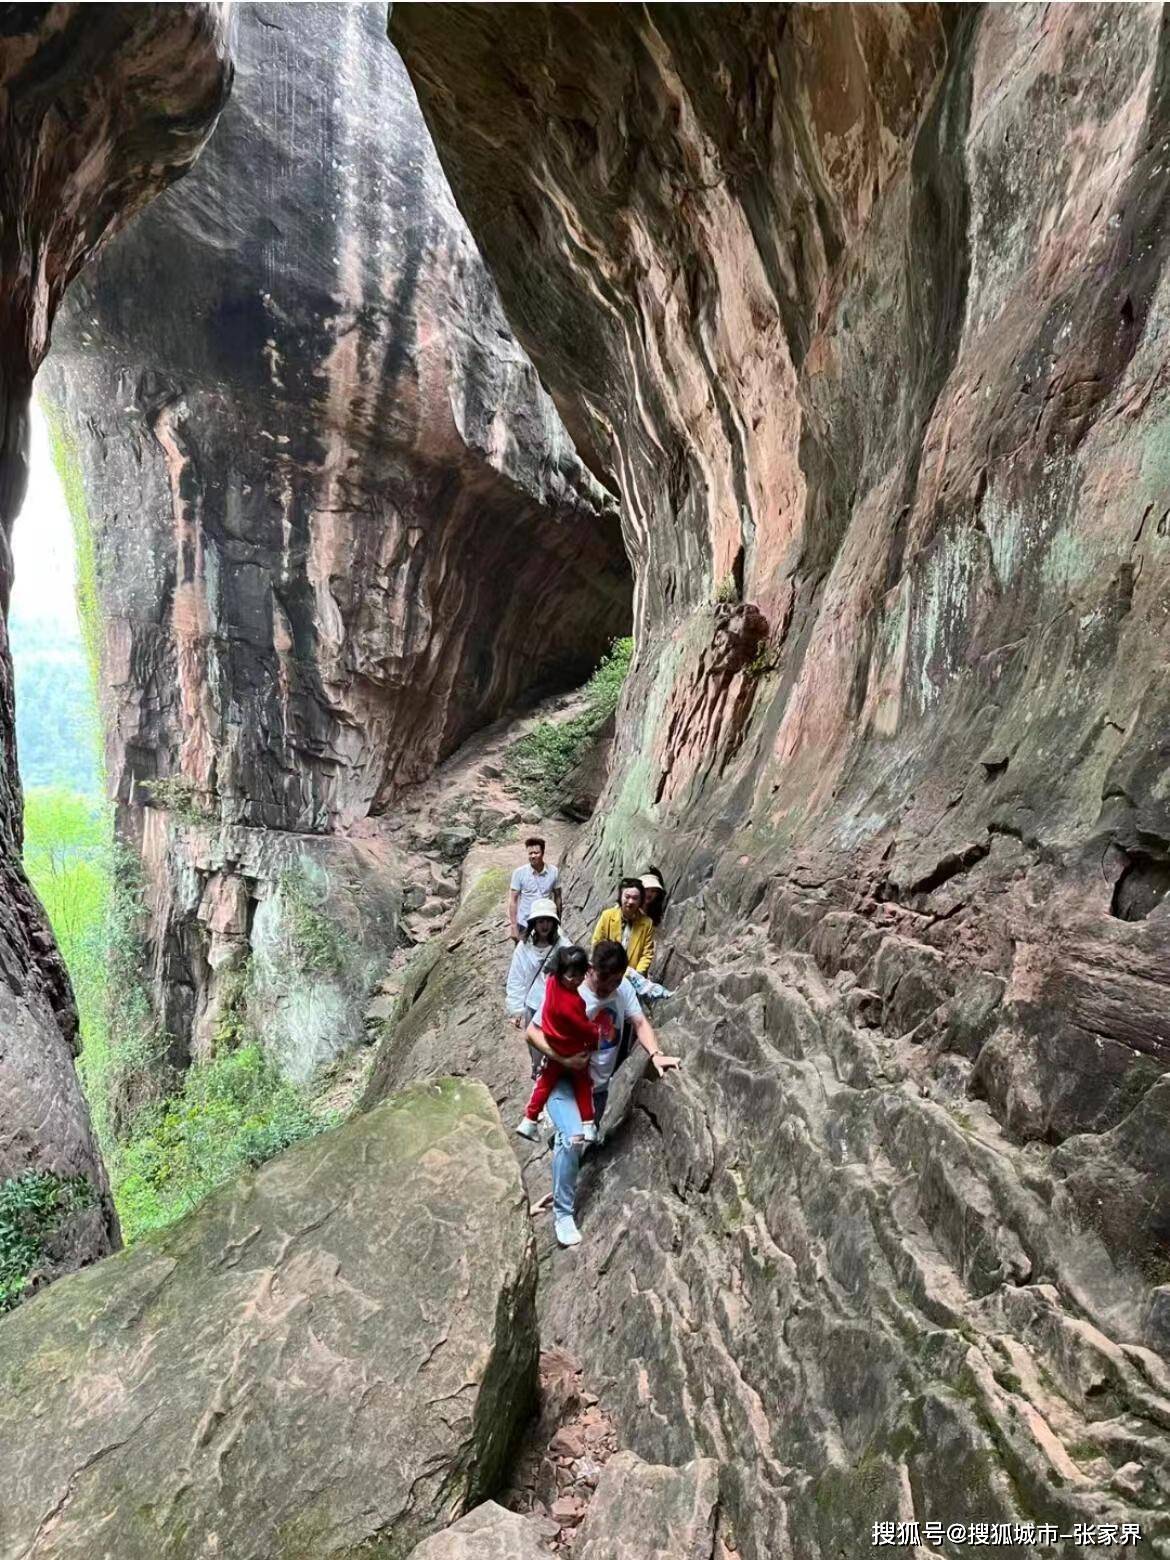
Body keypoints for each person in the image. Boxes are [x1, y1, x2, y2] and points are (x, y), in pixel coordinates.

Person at [525, 940, 680, 1247]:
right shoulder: (567, 989)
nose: (611, 988)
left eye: (617, 981)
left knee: (575, 1144)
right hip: (563, 1078)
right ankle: (563, 1215)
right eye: (605, 981)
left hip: (597, 1089)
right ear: (591, 970)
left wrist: (656, 1053)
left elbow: (639, 1022)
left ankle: (561, 1167)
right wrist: (564, 1058)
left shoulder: (621, 989)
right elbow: (532, 1031)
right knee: (572, 1138)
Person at [516, 946, 605, 1143]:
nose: (575, 980)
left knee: (545, 1082)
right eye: (571, 976)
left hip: (552, 1041)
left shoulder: (552, 982)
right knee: (583, 1083)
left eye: (578, 975)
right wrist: (595, 1039)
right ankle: (588, 1124)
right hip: (571, 1048)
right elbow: (585, 1028)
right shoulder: (574, 1003)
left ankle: (529, 1119)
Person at [505, 896, 571, 1078]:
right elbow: (516, 978)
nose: (544, 925)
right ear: (534, 922)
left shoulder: (563, 946)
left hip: (555, 1006)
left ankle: (550, 1077)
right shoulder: (524, 947)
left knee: (554, 1046)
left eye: (548, 921)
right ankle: (538, 1072)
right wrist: (516, 1009)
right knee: (535, 1047)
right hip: (533, 1005)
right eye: (541, 921)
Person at [591, 877, 654, 974]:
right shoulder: (607, 916)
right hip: (606, 971)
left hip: (632, 974)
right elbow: (597, 942)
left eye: (635, 898)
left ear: (640, 900)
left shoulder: (647, 923)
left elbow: (647, 954)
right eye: (627, 897)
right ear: (621, 897)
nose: (630, 901)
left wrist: (637, 974)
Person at [508, 836, 561, 942]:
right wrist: (513, 926)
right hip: (525, 922)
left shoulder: (554, 871)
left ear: (543, 853)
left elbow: (558, 897)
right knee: (523, 954)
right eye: (530, 853)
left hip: (546, 921)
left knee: (546, 953)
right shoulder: (519, 873)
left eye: (536, 853)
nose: (533, 856)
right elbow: (513, 900)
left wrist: (558, 921)